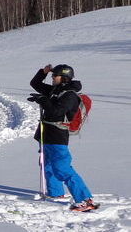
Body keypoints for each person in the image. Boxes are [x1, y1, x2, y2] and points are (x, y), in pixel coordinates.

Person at [30, 64, 98, 212]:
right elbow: (35, 84)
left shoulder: (70, 95)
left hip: (57, 135)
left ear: (65, 78)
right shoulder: (55, 90)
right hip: (46, 133)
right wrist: (43, 72)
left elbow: (56, 112)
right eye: (52, 76)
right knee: (47, 164)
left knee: (62, 168)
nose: (52, 78)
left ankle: (85, 200)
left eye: (55, 76)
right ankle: (56, 193)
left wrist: (42, 99)